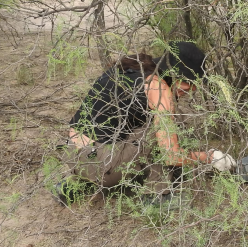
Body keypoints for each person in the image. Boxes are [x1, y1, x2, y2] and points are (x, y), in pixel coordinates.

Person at [53, 41, 236, 205]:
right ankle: (157, 197)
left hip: (74, 155)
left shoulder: (136, 67)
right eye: (189, 83)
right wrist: (210, 158)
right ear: (175, 75)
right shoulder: (158, 88)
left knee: (152, 127)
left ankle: (76, 184)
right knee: (165, 130)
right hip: (100, 163)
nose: (192, 89)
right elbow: (170, 155)